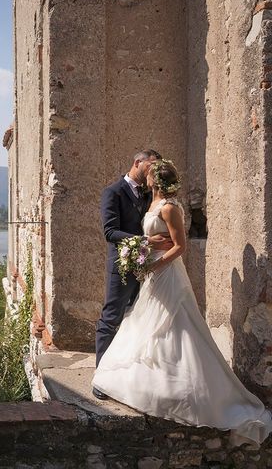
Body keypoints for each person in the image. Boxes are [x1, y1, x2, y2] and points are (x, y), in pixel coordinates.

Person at [92, 159, 272, 446]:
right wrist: (144, 250)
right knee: (147, 323)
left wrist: (154, 266)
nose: (146, 178)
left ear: (156, 180)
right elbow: (145, 236)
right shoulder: (152, 202)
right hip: (152, 272)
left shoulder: (169, 207)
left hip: (167, 274)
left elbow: (180, 246)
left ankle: (199, 390)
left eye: (150, 175)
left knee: (176, 324)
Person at [94, 149, 172, 400]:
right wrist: (146, 241)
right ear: (137, 161)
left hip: (146, 267)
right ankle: (100, 378)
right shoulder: (113, 192)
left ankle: (129, 375)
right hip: (121, 266)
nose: (152, 171)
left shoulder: (150, 194)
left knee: (138, 318)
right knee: (111, 318)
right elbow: (110, 232)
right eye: (151, 165)